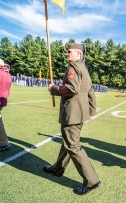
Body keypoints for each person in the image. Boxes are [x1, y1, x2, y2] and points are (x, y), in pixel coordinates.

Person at [43, 43, 100, 195]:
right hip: (80, 113)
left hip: (72, 113)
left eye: (69, 52)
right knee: (68, 142)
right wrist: (92, 110)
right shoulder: (84, 68)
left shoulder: (73, 67)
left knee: (73, 145)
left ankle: (92, 180)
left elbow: (71, 88)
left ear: (78, 54)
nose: (67, 54)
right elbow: (90, 91)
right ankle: (58, 168)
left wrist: (54, 89)